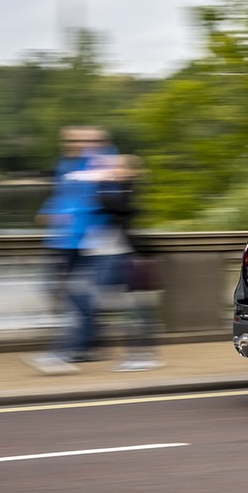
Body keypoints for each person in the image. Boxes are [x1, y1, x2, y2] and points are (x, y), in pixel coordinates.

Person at [26, 127, 112, 374]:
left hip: (90, 244)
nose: (73, 143)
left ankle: (70, 350)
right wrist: (48, 209)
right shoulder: (64, 164)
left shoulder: (102, 163)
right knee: (54, 289)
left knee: (78, 297)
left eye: (80, 139)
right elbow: (62, 194)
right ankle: (89, 344)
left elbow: (103, 201)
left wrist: (75, 217)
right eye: (70, 139)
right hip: (63, 242)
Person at [90, 154, 165, 372]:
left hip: (138, 257)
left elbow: (114, 205)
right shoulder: (124, 189)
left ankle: (144, 356)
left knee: (140, 309)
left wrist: (101, 183)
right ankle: (140, 355)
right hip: (128, 256)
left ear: (131, 170)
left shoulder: (131, 190)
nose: (115, 170)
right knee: (136, 308)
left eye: (119, 167)